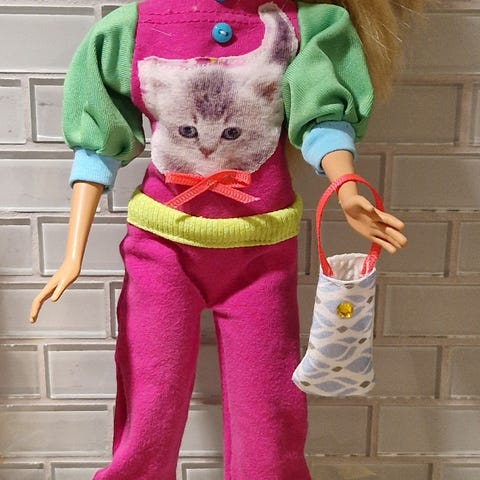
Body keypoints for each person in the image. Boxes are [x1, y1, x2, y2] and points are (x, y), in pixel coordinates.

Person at [30, 1, 419, 478]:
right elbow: (98, 144)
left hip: (262, 255)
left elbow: (321, 118)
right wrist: (72, 255)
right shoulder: (133, 28)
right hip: (162, 251)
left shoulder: (306, 25)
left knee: (269, 416)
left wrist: (347, 187)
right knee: (150, 409)